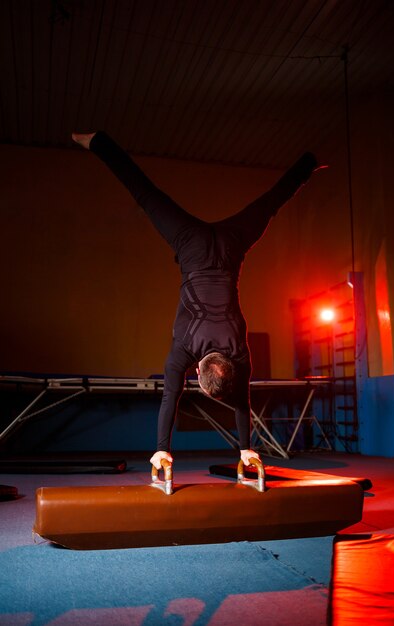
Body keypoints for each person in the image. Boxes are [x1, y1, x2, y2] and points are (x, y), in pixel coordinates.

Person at [72, 131, 318, 469]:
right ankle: (99, 142)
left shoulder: (240, 357)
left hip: (230, 247)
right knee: (145, 196)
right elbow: (171, 398)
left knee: (269, 204)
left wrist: (246, 447)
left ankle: (309, 164)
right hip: (191, 245)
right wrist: (161, 449)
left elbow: (242, 403)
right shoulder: (184, 348)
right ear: (197, 372)